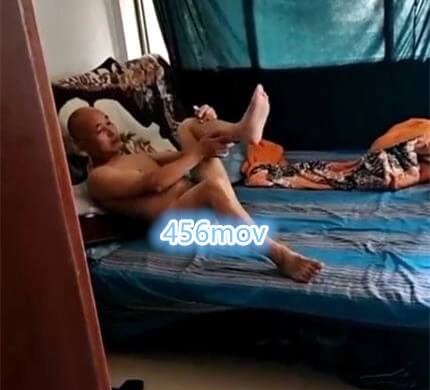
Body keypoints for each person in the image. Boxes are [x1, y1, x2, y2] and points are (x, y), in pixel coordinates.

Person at [67, 85, 322, 283]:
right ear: (81, 145)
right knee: (209, 186)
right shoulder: (99, 177)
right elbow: (155, 183)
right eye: (99, 130)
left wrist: (207, 127)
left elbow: (185, 156)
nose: (110, 130)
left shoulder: (133, 156)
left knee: (188, 126)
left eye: (108, 122)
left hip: (197, 203)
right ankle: (279, 255)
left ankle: (243, 131)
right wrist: (199, 151)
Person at [246, 119, 430, 190]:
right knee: (336, 171)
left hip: (389, 165)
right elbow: (379, 148)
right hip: (385, 156)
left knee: (341, 175)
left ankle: (273, 173)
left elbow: (409, 177)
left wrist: (407, 174)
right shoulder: (418, 127)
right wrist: (414, 147)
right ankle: (273, 172)